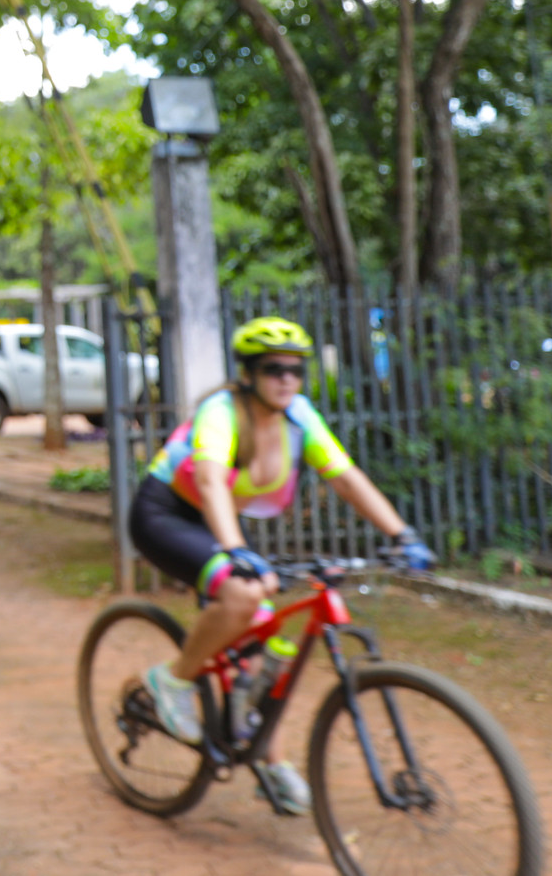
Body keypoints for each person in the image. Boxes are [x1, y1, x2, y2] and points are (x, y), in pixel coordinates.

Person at [129, 316, 436, 816]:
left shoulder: (299, 417)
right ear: (249, 373)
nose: (287, 379)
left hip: (219, 523)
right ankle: (174, 680)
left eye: (296, 370)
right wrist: (235, 549)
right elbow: (209, 481)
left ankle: (266, 758)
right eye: (274, 369)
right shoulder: (221, 411)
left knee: (265, 639)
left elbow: (346, 478)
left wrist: (402, 534)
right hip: (167, 515)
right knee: (246, 593)